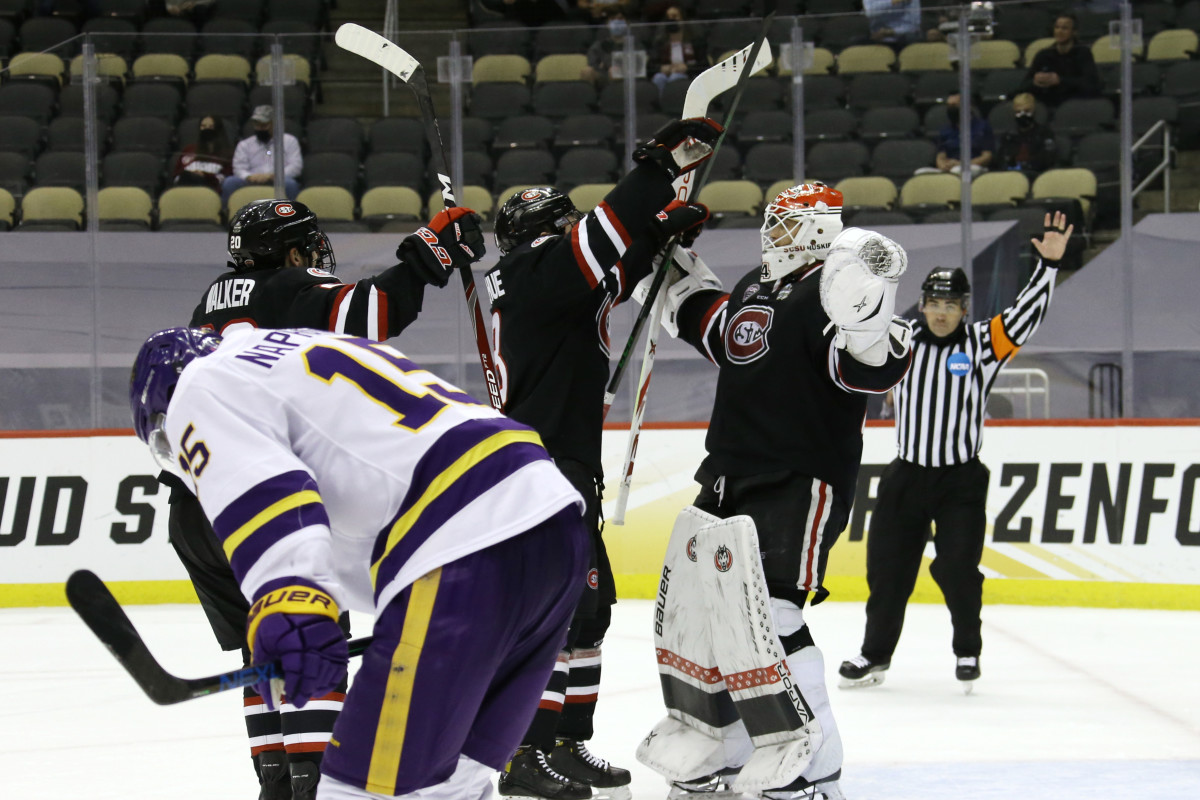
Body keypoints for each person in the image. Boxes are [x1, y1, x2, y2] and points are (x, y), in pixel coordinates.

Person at [129, 325, 589, 800]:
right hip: (551, 524)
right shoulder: (293, 348)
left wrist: (290, 594)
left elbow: (265, 487)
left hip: (462, 537)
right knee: (449, 785)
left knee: (361, 791)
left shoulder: (199, 383)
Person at [164, 198, 486, 799]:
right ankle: (312, 784)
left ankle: (276, 785)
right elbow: (370, 312)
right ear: (290, 252)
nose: (316, 257)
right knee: (312, 637)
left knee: (266, 646)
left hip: (196, 502)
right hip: (263, 499)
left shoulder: (211, 299)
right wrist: (433, 250)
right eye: (308, 247)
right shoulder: (286, 284)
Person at [638, 183, 914, 800]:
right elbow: (706, 321)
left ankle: (817, 773)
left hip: (798, 479)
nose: (773, 233)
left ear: (819, 230)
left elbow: (873, 364)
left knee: (773, 619)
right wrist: (662, 254)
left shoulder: (837, 290)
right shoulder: (754, 287)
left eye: (786, 223)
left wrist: (870, 308)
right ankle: (726, 753)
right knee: (710, 624)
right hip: (727, 475)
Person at [484, 117, 720, 799]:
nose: (572, 231)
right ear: (541, 230)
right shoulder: (532, 273)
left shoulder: (548, 285)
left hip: (562, 464)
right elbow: (603, 238)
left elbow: (614, 270)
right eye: (563, 223)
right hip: (542, 468)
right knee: (552, 615)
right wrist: (658, 169)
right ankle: (522, 753)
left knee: (588, 612)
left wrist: (659, 237)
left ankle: (564, 740)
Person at [838, 211, 1072, 694]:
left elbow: (1024, 318)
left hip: (960, 481)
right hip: (906, 476)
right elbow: (852, 329)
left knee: (959, 569)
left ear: (965, 308)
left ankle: (968, 649)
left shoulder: (984, 343)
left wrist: (1047, 266)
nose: (941, 311)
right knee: (886, 571)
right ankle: (874, 655)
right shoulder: (899, 341)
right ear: (921, 305)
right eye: (933, 302)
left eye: (950, 304)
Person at [1018, 12, 1100, 108]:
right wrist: (1035, 82)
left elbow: (1090, 85)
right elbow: (1023, 85)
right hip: (1046, 102)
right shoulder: (1044, 54)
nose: (1059, 31)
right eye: (1057, 27)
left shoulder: (1083, 53)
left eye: (1064, 28)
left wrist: (1060, 80)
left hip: (1075, 103)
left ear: (1074, 32)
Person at [224, 105, 304, 204]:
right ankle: (227, 215)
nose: (260, 128)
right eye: (257, 125)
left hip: (277, 180)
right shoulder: (245, 144)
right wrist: (249, 176)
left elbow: (296, 166)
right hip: (251, 181)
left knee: (290, 184)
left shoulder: (289, 141)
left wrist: (273, 176)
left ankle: (293, 215)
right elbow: (238, 168)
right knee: (230, 182)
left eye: (264, 125)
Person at [925, 92, 994, 177]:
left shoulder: (983, 127)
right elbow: (941, 155)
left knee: (957, 171)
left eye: (954, 105)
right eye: (949, 105)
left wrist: (962, 164)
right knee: (921, 173)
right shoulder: (946, 130)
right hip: (950, 167)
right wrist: (943, 165)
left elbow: (987, 156)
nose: (951, 108)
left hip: (974, 167)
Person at [995, 92, 1058, 175]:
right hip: (1011, 176)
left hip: (1037, 175)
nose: (1022, 115)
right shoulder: (1008, 136)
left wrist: (1026, 166)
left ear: (1033, 111)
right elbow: (1002, 160)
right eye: (1018, 112)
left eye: (1027, 111)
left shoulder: (1045, 133)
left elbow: (1048, 159)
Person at [650, 4, 702, 96]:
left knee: (675, 77)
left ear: (682, 19)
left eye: (674, 16)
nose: (672, 20)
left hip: (688, 74)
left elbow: (703, 63)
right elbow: (651, 64)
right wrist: (661, 68)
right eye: (669, 17)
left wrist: (687, 68)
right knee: (658, 78)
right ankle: (661, 104)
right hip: (667, 73)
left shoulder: (694, 40)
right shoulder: (660, 41)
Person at [172, 115, 234, 190]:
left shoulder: (227, 153)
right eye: (203, 126)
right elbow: (177, 175)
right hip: (185, 188)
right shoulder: (189, 149)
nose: (206, 129)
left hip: (210, 190)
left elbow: (226, 178)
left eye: (211, 127)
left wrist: (205, 176)